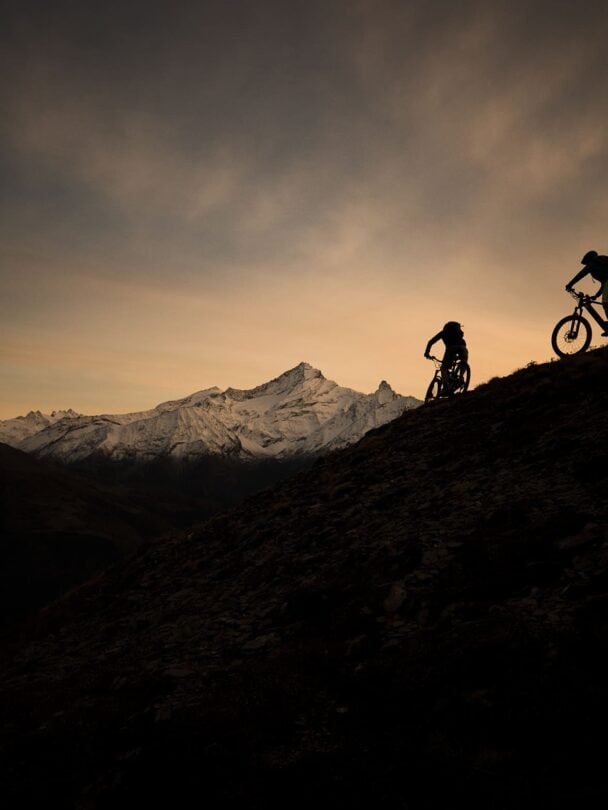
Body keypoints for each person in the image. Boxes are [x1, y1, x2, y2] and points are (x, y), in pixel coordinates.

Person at [565, 250, 608, 334]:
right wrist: (596, 296)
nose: (586, 265)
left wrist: (570, 284)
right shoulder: (601, 266)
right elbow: (603, 284)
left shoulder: (594, 262)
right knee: (605, 302)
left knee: (606, 302)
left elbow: (581, 274)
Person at [424, 321, 468, 389]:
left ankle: (445, 388)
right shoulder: (459, 335)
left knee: (444, 368)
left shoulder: (443, 332)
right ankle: (461, 378)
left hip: (451, 349)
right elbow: (463, 343)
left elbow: (430, 342)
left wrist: (427, 353)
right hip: (463, 348)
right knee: (463, 363)